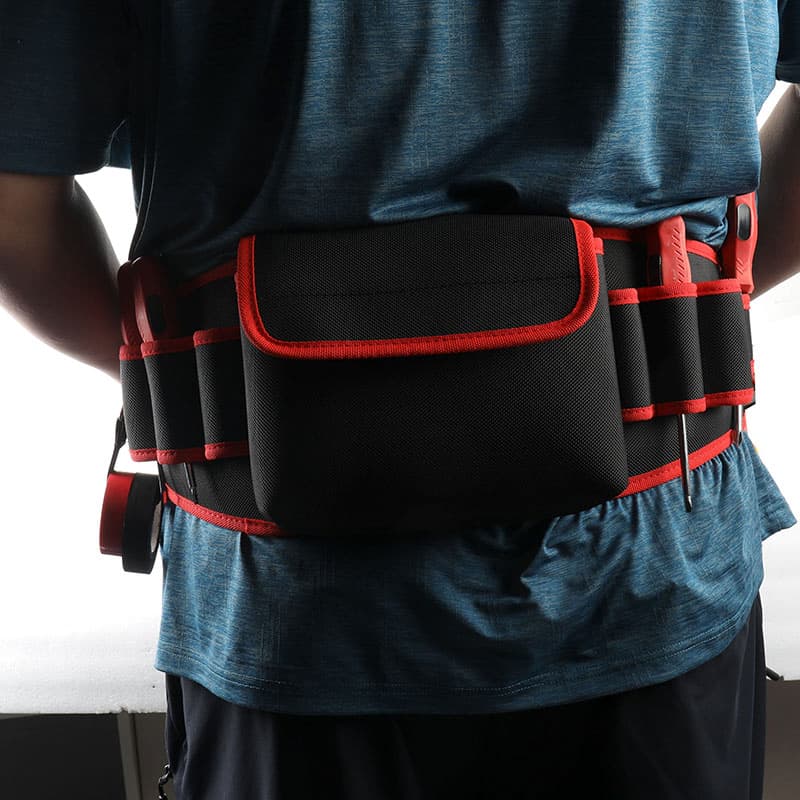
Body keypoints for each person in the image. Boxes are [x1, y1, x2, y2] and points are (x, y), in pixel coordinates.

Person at [1, 2, 799, 798]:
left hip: (289, 593)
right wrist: (669, 335)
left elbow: (14, 210)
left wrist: (193, 382)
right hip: (655, 557)